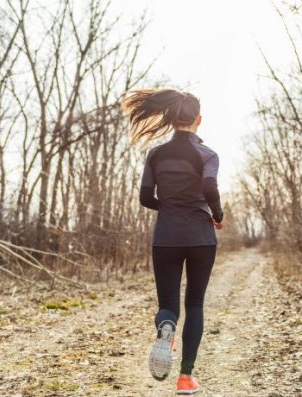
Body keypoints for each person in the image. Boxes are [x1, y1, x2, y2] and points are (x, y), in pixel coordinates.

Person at [121, 89, 224, 395]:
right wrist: (216, 213)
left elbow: (144, 198)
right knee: (194, 303)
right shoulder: (207, 155)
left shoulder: (156, 154)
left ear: (171, 118)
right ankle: (185, 378)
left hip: (166, 237)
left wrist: (168, 206)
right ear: (198, 120)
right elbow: (208, 184)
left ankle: (166, 330)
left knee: (168, 304)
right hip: (201, 237)